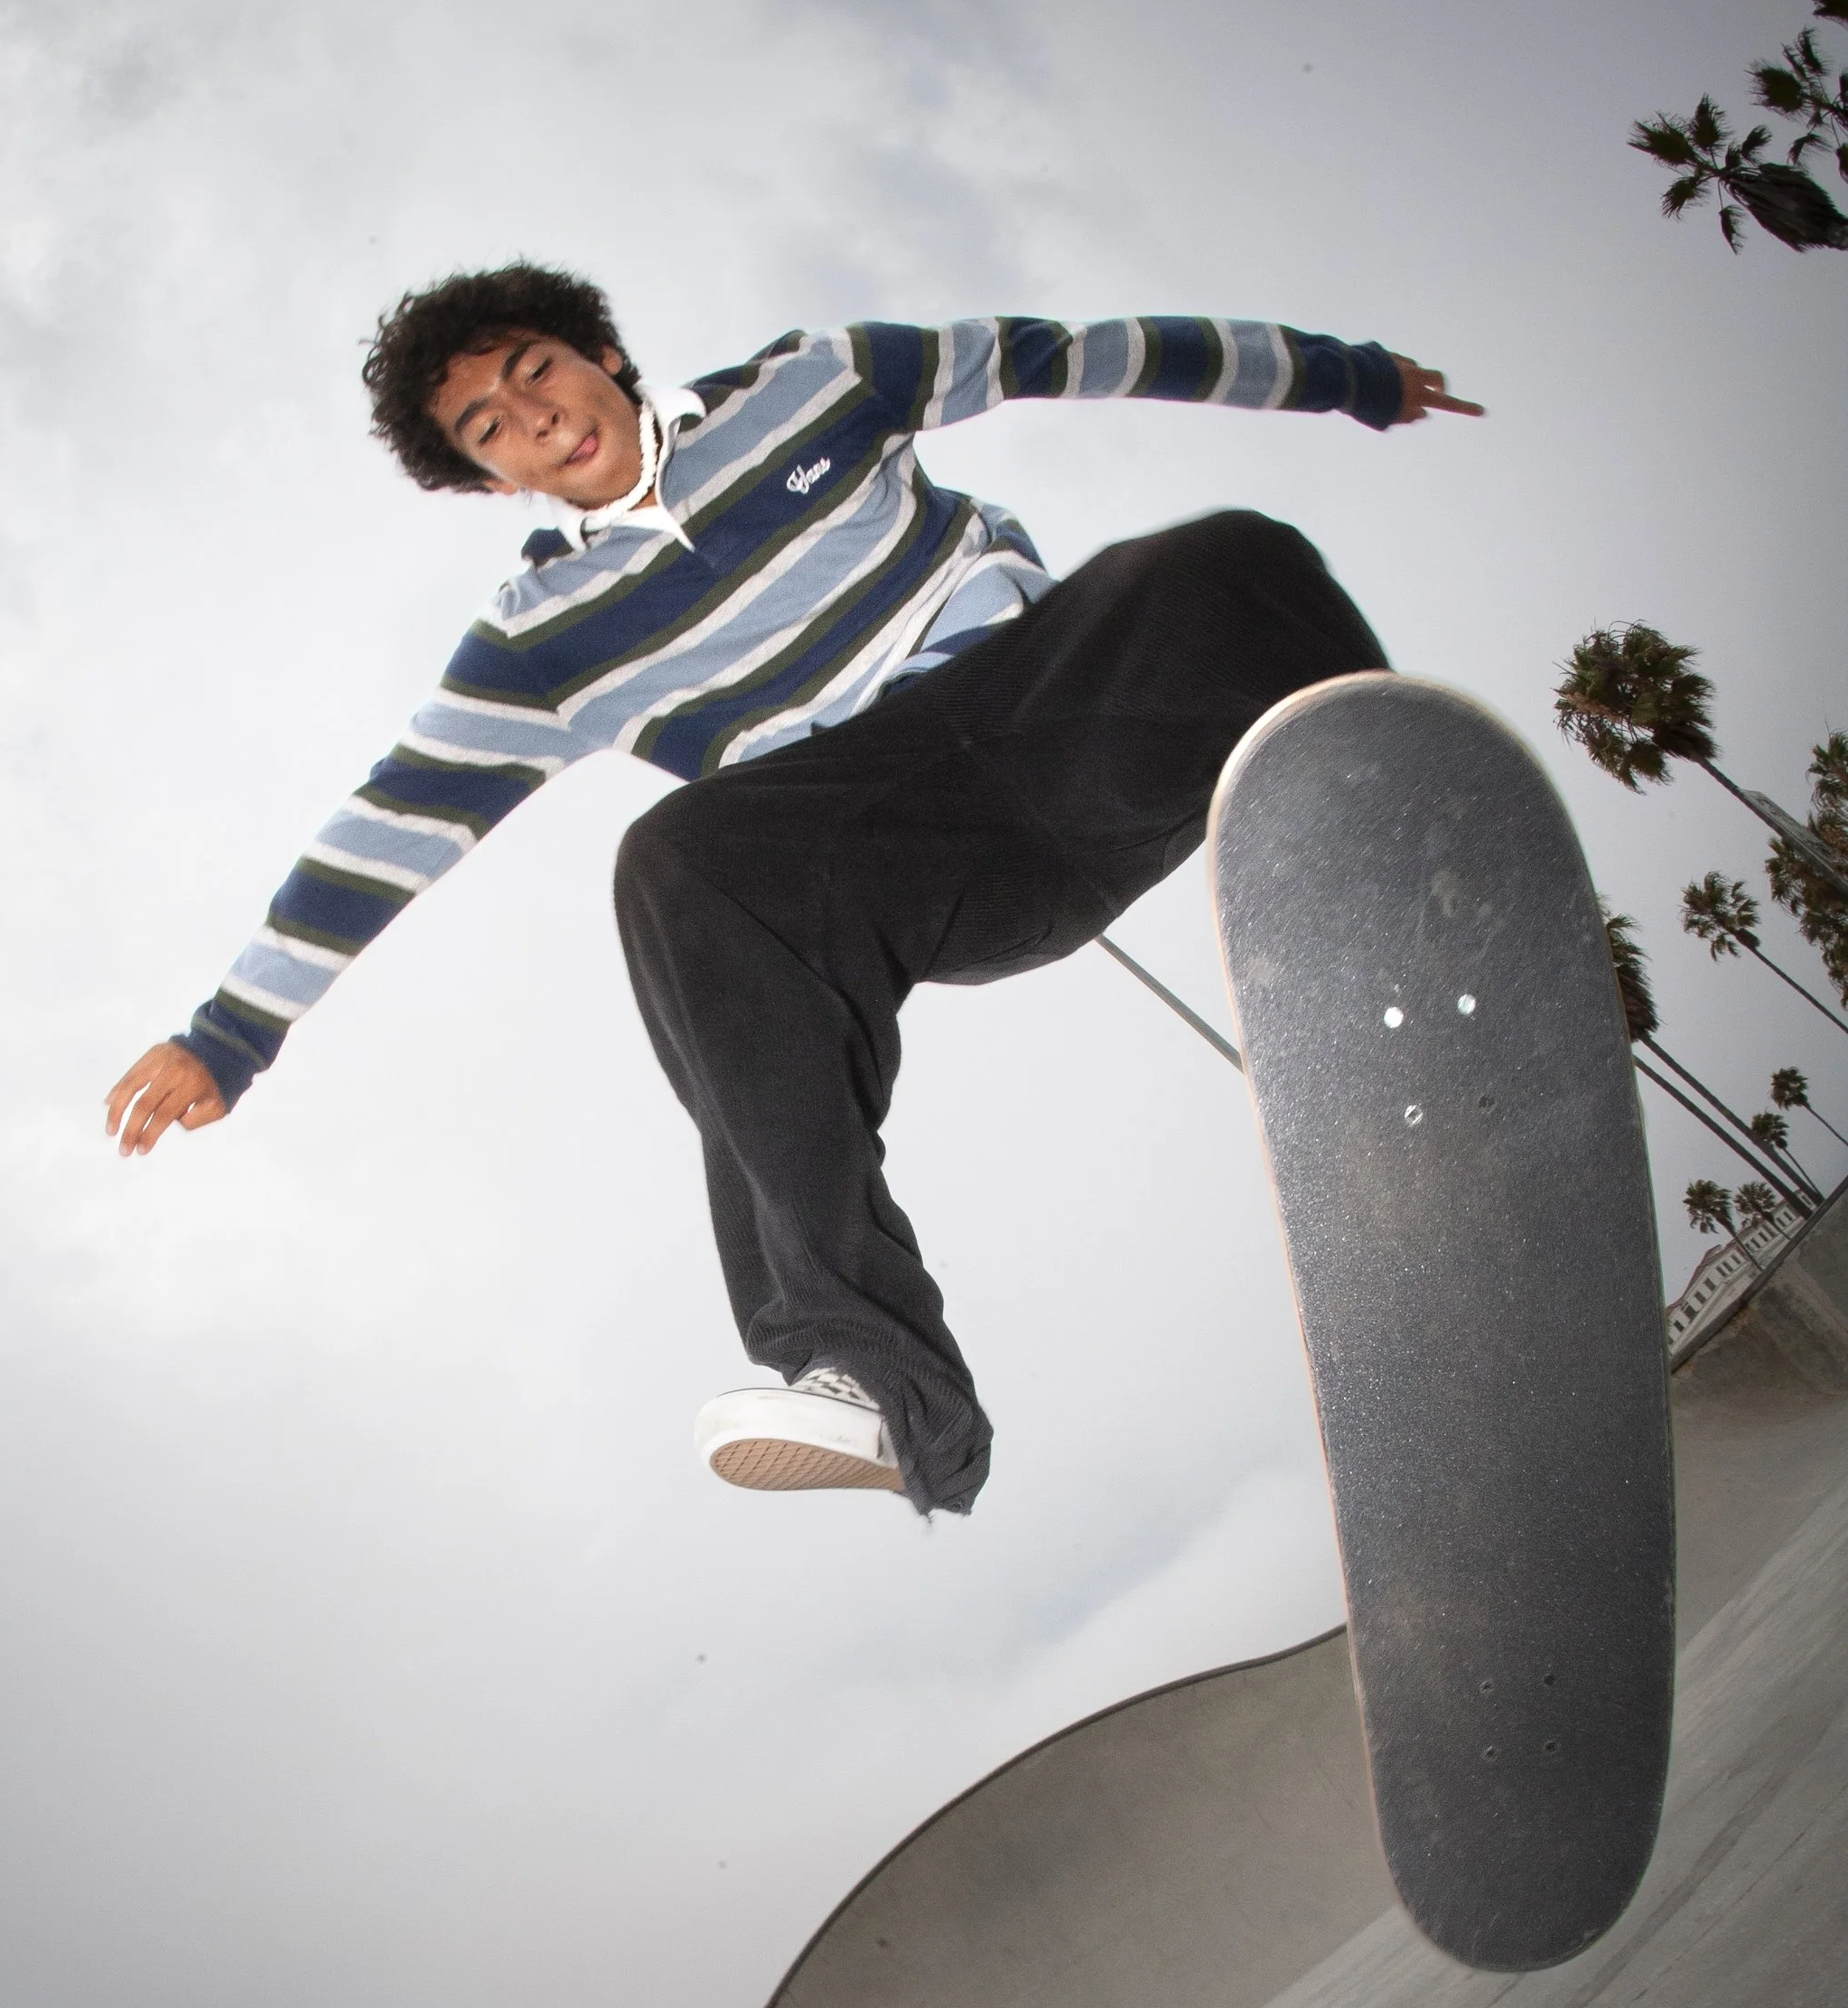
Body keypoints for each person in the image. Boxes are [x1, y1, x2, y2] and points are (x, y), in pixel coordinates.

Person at [106, 266, 1481, 1515]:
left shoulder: (816, 381)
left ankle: (1441, 911)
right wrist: (231, 1033)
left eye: (533, 370)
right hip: (909, 847)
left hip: (1075, 716)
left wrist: (1345, 376)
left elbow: (1078, 350)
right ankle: (873, 1377)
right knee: (679, 861)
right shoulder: (537, 645)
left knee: (1228, 561)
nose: (531, 419)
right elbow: (388, 824)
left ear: (598, 350)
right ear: (486, 482)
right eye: (487, 428)